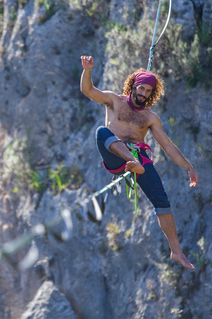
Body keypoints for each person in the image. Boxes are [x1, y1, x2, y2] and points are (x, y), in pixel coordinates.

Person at [80, 55, 198, 270]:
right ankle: (133, 161)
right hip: (116, 158)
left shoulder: (150, 117)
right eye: (141, 88)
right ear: (133, 85)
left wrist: (188, 166)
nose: (143, 94)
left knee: (161, 199)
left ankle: (176, 252)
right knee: (101, 132)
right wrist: (87, 70)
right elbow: (88, 91)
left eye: (148, 92)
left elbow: (168, 146)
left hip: (139, 160)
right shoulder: (113, 100)